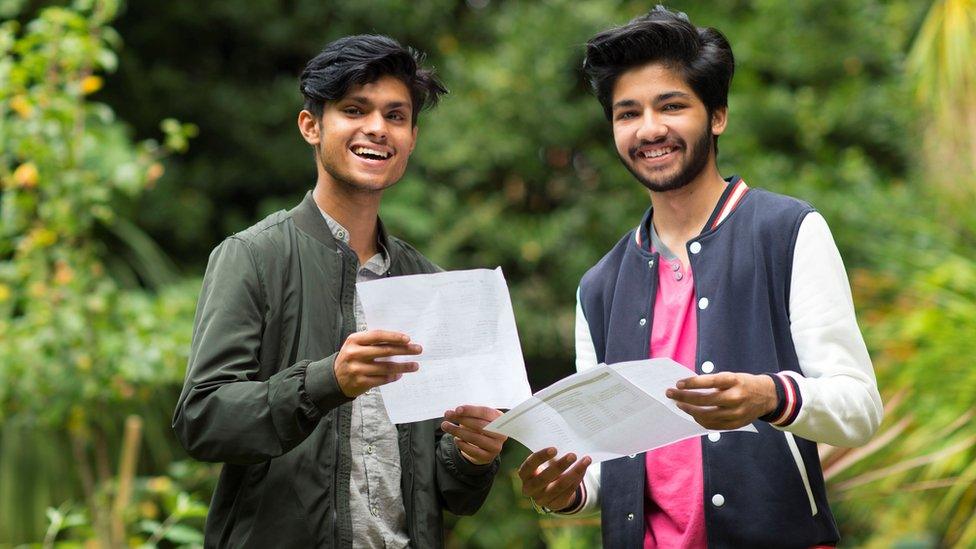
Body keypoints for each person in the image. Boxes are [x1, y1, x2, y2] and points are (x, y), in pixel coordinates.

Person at [517, 7, 883, 548]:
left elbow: (859, 410)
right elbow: (606, 461)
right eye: (627, 113)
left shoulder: (787, 231)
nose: (650, 129)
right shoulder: (598, 286)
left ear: (717, 116)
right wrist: (566, 489)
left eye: (671, 106)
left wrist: (770, 396)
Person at [173, 35, 507, 548]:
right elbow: (203, 419)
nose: (377, 128)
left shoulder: (431, 282)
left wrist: (473, 455)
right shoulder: (253, 257)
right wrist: (326, 380)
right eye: (355, 109)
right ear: (312, 126)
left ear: (412, 137)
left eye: (396, 116)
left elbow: (450, 494)